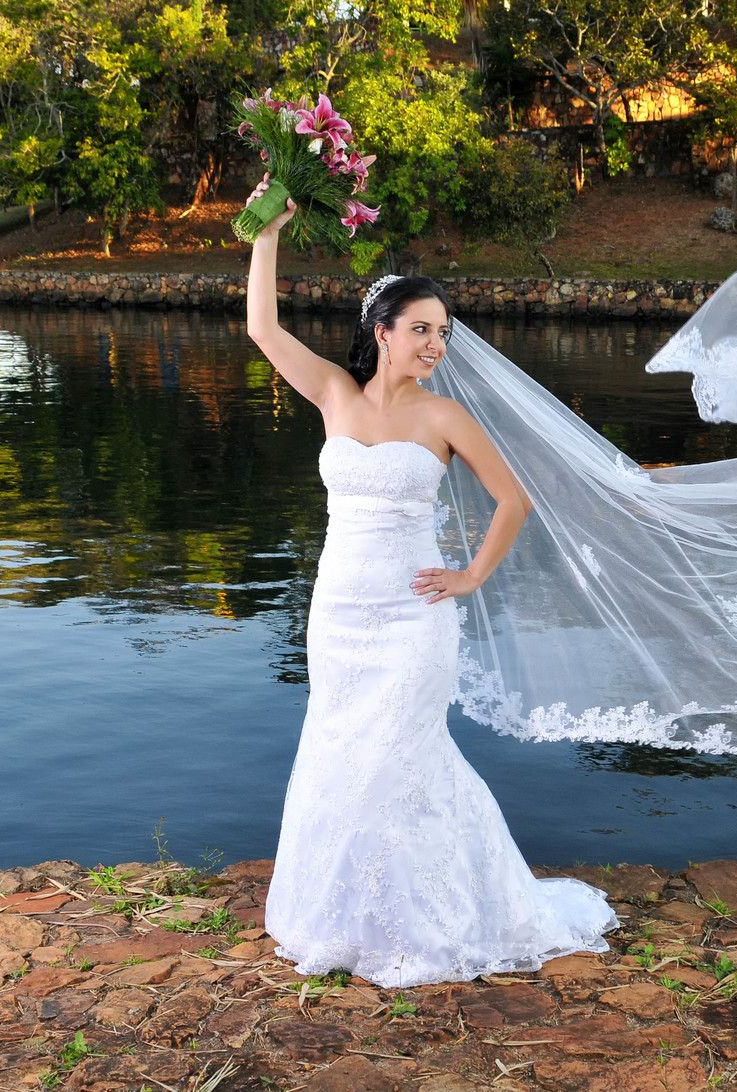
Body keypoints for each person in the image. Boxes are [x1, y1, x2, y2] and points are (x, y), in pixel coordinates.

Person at [245, 176, 618, 988]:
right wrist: (267, 231)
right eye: (421, 329)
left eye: (442, 333)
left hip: (415, 616)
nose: (435, 345)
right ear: (381, 332)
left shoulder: (444, 416)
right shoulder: (334, 394)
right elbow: (262, 328)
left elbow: (513, 498)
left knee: (402, 758)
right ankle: (348, 917)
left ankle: (437, 919)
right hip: (338, 615)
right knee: (341, 754)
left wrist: (471, 575)